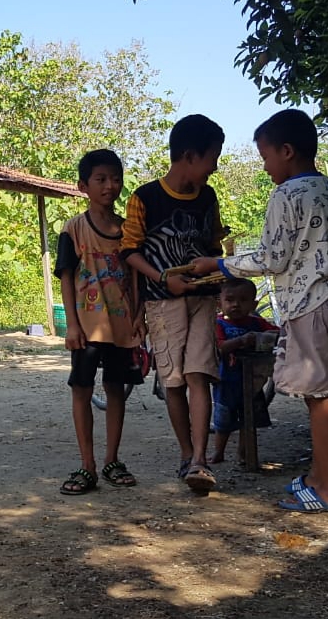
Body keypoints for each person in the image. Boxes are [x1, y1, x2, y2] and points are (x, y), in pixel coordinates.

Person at [193, 108, 328, 513]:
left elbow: (273, 258)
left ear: (286, 151)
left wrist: (219, 265)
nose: (266, 166)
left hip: (310, 304)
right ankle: (318, 476)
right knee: (322, 396)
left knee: (317, 397)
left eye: (265, 157)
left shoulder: (286, 195)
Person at [120, 114, 226, 494]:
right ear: (189, 155)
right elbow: (129, 251)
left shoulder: (208, 197)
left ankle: (199, 460)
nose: (215, 165)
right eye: (213, 156)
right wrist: (164, 278)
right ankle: (186, 455)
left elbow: (213, 245)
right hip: (162, 304)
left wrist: (218, 275)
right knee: (175, 381)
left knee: (199, 374)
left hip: (202, 300)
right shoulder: (144, 197)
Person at [54, 149, 144, 495]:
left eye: (116, 178)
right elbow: (66, 276)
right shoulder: (74, 229)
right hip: (88, 326)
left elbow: (135, 277)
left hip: (122, 327)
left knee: (116, 390)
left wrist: (139, 317)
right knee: (81, 388)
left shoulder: (128, 231)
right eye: (101, 179)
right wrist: (72, 326)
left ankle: (111, 460)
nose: (110, 186)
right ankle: (87, 465)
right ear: (83, 186)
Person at [210, 277, 279, 465]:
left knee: (248, 421)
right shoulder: (218, 324)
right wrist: (240, 341)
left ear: (253, 303)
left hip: (253, 382)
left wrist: (268, 335)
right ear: (220, 302)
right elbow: (220, 347)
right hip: (226, 381)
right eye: (230, 300)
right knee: (223, 421)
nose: (236, 305)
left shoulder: (257, 323)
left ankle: (244, 453)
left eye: (243, 300)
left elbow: (277, 332)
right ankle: (219, 451)